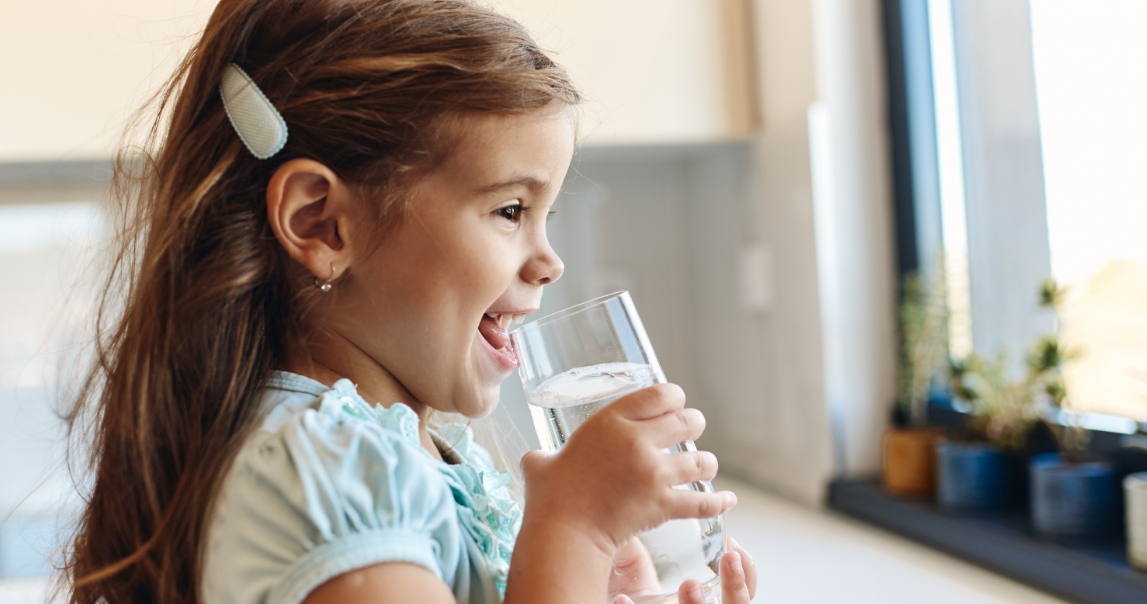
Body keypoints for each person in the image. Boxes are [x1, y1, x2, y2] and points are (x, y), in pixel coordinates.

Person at [63, 1, 757, 603]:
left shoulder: (408, 454)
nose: (551, 262)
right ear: (321, 225)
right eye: (511, 209)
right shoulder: (322, 475)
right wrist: (575, 531)